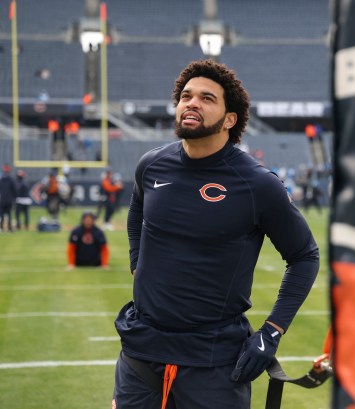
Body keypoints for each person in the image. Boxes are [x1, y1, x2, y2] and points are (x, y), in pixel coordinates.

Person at [111, 59, 320, 409]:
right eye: (186, 96)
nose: (192, 103)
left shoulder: (257, 184)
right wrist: (137, 262)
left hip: (214, 362)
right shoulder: (151, 164)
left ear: (229, 119)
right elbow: (136, 208)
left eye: (207, 98)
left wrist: (272, 331)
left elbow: (304, 256)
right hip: (141, 351)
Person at [0, 164, 16, 232]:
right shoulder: (11, 180)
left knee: (2, 215)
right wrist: (14, 199)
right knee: (8, 214)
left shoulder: (1, 180)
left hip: (2, 200)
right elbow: (14, 191)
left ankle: (1, 228)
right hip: (9, 200)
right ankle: (9, 228)